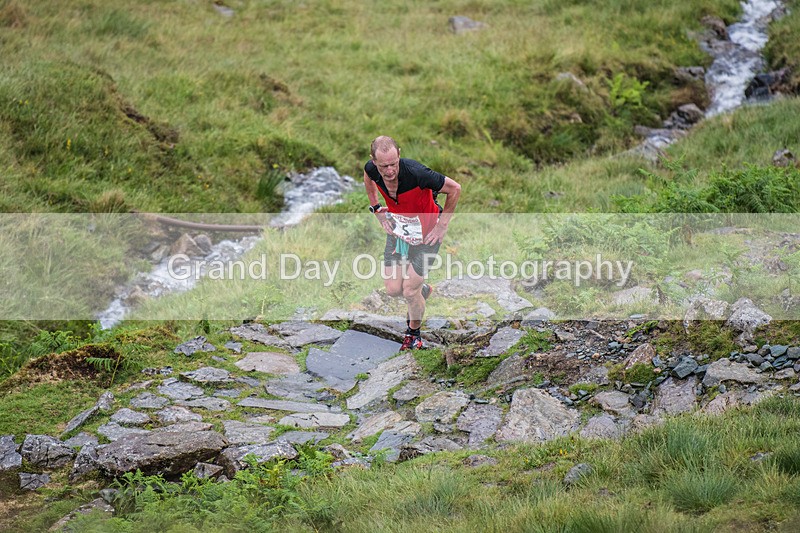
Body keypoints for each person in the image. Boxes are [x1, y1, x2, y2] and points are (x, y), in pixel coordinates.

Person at [363, 135, 461, 350]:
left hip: (428, 237)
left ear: (399, 154)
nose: (389, 171)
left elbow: (455, 189)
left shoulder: (416, 173)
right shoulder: (371, 169)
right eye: (383, 166)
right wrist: (377, 209)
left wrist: (442, 225)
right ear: (373, 161)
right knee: (392, 289)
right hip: (399, 232)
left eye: (393, 164)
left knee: (408, 292)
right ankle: (423, 290)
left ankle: (413, 334)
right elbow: (368, 178)